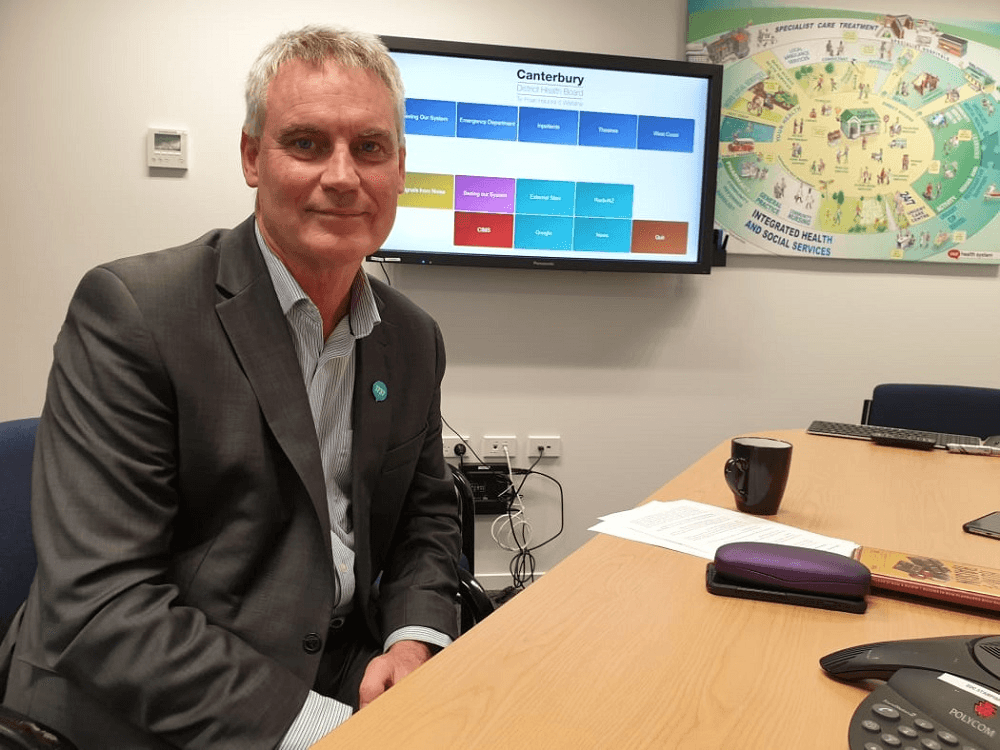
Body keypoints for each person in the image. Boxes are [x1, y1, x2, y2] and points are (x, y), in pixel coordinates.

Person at [0, 25, 461, 750]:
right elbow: (101, 603)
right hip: (143, 703)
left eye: (369, 148)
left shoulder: (411, 336)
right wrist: (322, 727)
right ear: (252, 157)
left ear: (400, 167)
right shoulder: (132, 312)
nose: (343, 176)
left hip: (344, 668)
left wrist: (411, 641)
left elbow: (425, 520)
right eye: (307, 144)